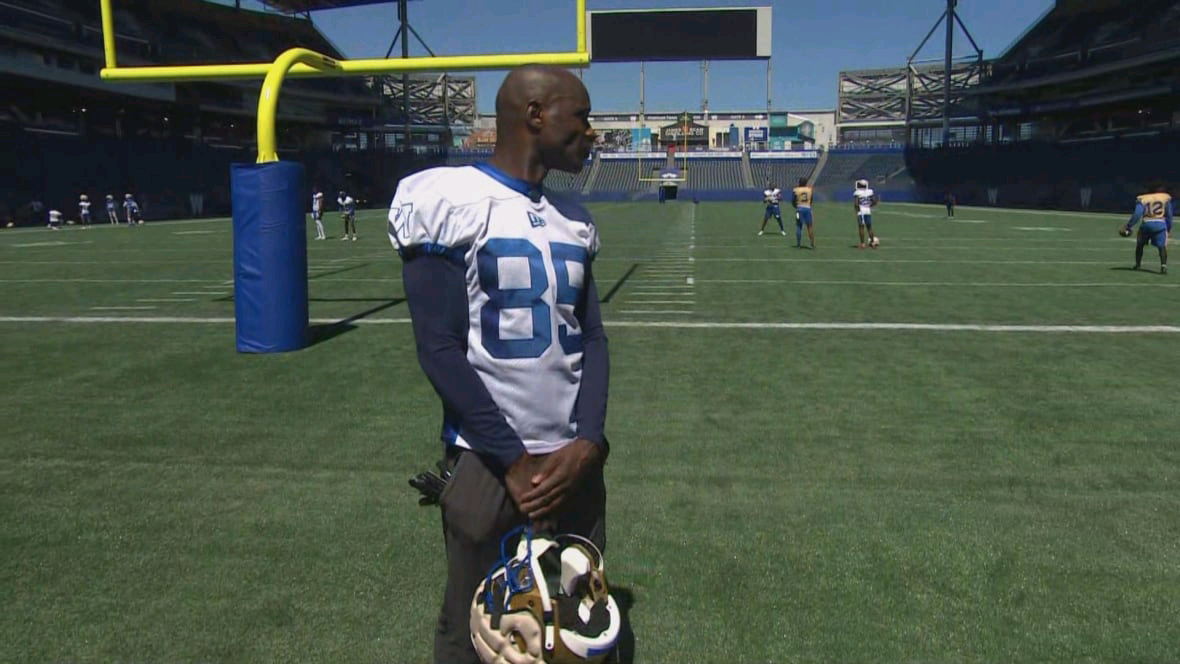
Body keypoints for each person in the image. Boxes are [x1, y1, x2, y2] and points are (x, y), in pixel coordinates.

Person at [387, 64, 610, 664]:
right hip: (488, 462)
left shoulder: (575, 219)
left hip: (570, 461)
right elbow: (438, 349)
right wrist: (512, 461)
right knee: (475, 629)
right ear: (536, 115)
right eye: (581, 116)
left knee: (574, 628)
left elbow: (592, 337)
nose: (591, 133)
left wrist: (589, 441)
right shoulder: (450, 201)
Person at [1121, 181, 1172, 275]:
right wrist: (1168, 228)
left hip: (1147, 224)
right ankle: (1163, 266)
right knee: (1162, 247)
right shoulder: (1165, 197)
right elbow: (1169, 215)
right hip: (1160, 224)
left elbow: (1137, 214)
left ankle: (1138, 264)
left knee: (1140, 244)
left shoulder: (1143, 198)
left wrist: (1129, 225)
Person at [853, 178, 879, 249]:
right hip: (867, 210)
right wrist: (869, 206)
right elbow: (874, 201)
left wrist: (857, 210)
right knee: (869, 227)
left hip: (861, 211)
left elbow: (856, 203)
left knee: (861, 227)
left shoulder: (857, 192)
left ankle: (862, 244)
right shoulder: (870, 191)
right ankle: (873, 243)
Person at [791, 177, 815, 249]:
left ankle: (798, 244)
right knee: (810, 227)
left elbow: (793, 200)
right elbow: (811, 200)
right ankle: (812, 244)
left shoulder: (796, 190)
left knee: (799, 226)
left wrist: (796, 206)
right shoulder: (809, 189)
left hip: (799, 209)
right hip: (807, 209)